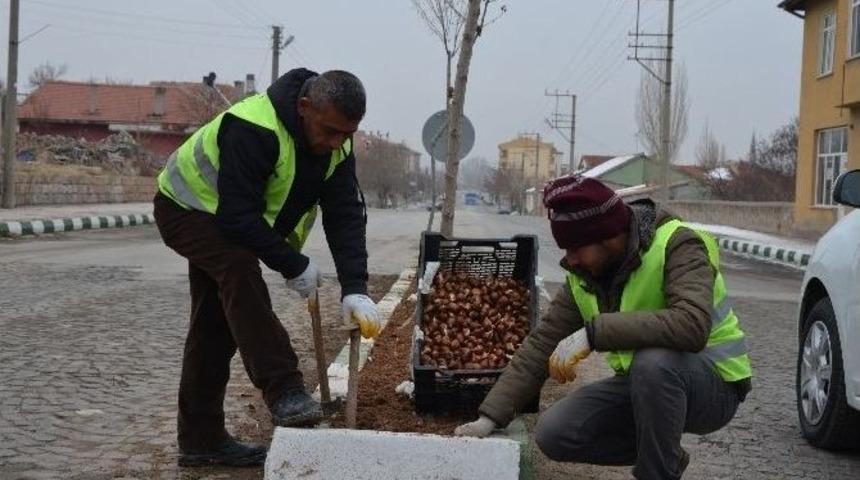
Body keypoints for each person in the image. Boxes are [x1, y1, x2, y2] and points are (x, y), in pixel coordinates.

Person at [153, 68, 381, 467]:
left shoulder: (338, 146)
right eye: (330, 131)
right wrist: (292, 264)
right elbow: (237, 218)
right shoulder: (253, 125)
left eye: (347, 134)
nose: (336, 143)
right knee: (239, 270)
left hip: (226, 218)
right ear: (304, 107)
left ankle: (200, 441)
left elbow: (344, 215)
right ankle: (285, 389)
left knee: (213, 329)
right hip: (185, 207)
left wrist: (355, 288)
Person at [455, 175, 752, 479]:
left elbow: (691, 324)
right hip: (645, 385)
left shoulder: (677, 244)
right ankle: (664, 454)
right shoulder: (585, 275)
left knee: (654, 363)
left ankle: (657, 472)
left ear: (608, 237)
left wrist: (593, 333)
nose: (570, 260)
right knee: (556, 432)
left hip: (714, 385)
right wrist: (491, 415)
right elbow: (542, 342)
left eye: (575, 248)